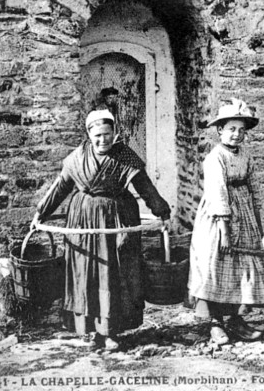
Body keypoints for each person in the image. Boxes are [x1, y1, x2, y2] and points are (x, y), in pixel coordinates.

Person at [31, 109, 171, 350]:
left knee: (114, 271)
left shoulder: (125, 157)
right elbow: (60, 188)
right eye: (97, 135)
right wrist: (40, 213)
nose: (103, 140)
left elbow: (145, 187)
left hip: (117, 218)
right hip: (84, 219)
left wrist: (162, 211)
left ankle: (110, 331)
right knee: (87, 270)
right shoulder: (77, 158)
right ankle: (89, 329)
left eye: (107, 134)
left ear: (114, 133)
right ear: (88, 135)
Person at [188, 98, 264, 344]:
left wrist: (257, 217)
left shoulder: (245, 154)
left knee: (242, 265)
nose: (237, 134)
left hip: (243, 212)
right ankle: (216, 322)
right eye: (231, 129)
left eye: (241, 130)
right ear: (220, 130)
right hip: (218, 217)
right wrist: (224, 228)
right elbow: (218, 192)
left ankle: (235, 319)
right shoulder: (215, 158)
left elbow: (254, 185)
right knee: (216, 264)